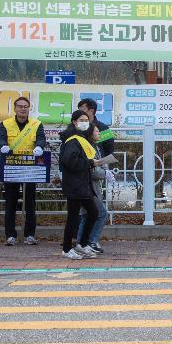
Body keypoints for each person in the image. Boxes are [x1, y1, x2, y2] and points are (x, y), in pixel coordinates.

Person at [0, 96, 46, 246]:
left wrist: (39, 147)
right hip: (12, 166)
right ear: (15, 108)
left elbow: (41, 139)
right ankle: (10, 235)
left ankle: (30, 235)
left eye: (25, 106)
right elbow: (0, 139)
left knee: (30, 202)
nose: (23, 109)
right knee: (10, 201)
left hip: (30, 168)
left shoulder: (36, 124)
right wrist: (3, 145)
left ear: (29, 108)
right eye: (20, 106)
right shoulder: (6, 124)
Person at [75, 97, 117, 255]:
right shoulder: (80, 135)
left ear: (91, 110)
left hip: (96, 176)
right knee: (95, 213)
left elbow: (109, 150)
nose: (81, 113)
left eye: (83, 109)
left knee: (89, 212)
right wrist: (101, 169)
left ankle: (84, 241)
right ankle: (86, 241)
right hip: (88, 179)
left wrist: (105, 167)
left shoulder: (102, 128)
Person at [58, 111, 100, 260]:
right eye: (81, 120)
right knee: (73, 217)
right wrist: (90, 163)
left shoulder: (81, 138)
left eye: (87, 120)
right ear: (74, 122)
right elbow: (70, 161)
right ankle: (66, 248)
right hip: (74, 184)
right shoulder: (73, 140)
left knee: (94, 212)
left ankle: (82, 244)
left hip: (82, 183)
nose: (85, 122)